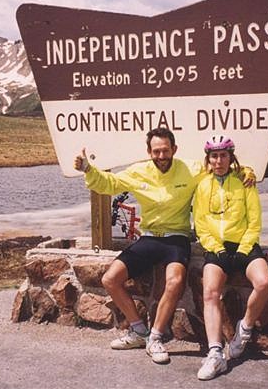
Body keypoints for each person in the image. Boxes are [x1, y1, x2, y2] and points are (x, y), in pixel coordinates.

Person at [74, 128, 254, 365]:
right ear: (149, 152)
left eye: (165, 150)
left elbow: (221, 165)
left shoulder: (190, 169)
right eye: (156, 151)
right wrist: (88, 169)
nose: (161, 155)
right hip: (149, 237)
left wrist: (247, 171)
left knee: (175, 281)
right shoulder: (139, 171)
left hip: (176, 238)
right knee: (110, 279)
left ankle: (156, 337)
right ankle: (139, 331)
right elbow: (110, 183)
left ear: (174, 150)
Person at [192, 135, 268, 380]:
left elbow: (255, 220)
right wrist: (216, 248)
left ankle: (244, 328)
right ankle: (215, 353)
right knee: (210, 292)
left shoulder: (245, 181)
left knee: (264, 282)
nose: (219, 161)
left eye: (223, 155)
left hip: (244, 246)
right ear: (208, 159)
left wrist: (243, 249)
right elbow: (201, 223)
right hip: (217, 248)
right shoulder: (203, 185)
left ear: (231, 157)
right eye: (214, 156)